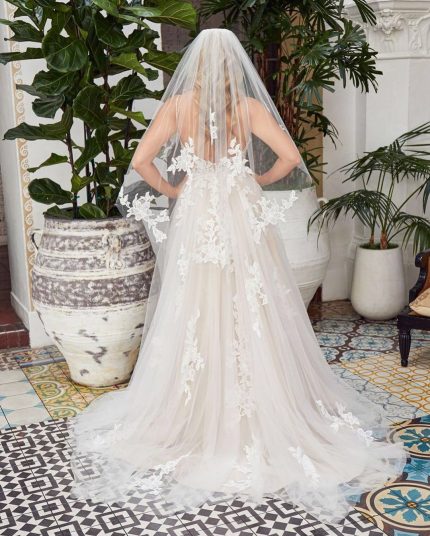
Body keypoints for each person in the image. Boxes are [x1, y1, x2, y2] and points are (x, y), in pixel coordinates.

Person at [68, 28, 407, 524]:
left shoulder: (178, 107)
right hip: (238, 210)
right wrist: (254, 179)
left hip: (197, 212)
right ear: (234, 68)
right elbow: (292, 159)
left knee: (195, 302)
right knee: (252, 301)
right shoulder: (247, 109)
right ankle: (261, 408)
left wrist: (176, 191)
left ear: (195, 67)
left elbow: (141, 162)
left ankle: (193, 413)